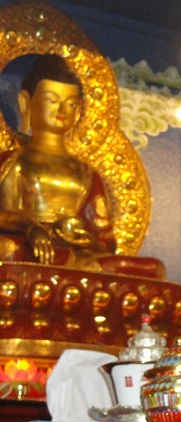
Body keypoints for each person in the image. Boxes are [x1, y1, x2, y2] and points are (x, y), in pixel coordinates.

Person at [0, 54, 161, 278]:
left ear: (78, 112)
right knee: (6, 249)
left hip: (75, 257)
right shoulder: (12, 161)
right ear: (26, 102)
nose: (61, 110)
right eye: (52, 100)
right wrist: (31, 229)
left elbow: (104, 241)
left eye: (70, 104)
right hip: (27, 250)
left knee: (153, 269)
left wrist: (79, 235)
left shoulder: (85, 173)